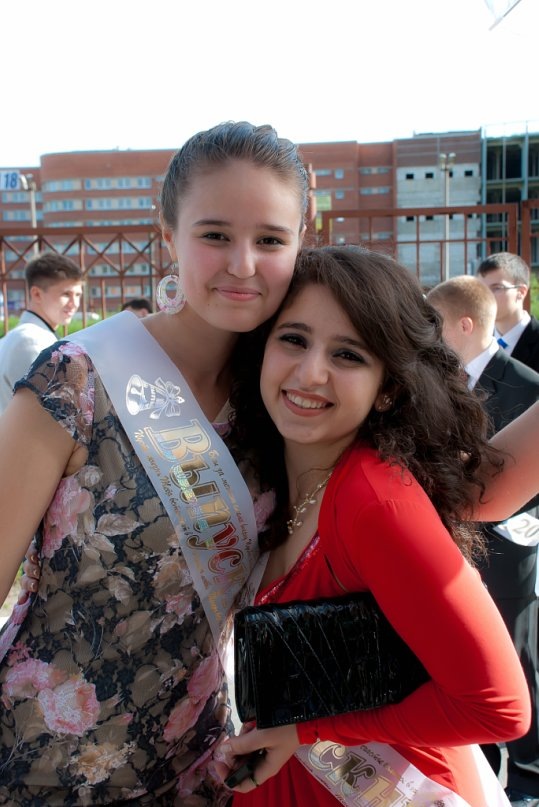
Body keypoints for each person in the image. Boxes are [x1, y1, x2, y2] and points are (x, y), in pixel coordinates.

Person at [0, 121, 309, 805]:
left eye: (270, 240)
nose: (243, 264)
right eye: (215, 234)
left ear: (299, 244)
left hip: (195, 764)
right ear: (168, 234)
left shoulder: (289, 402)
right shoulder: (77, 379)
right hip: (40, 767)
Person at [223, 246, 531, 807]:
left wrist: (308, 730)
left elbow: (499, 707)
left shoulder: (375, 500)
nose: (310, 373)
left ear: (388, 387)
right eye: (293, 339)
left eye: (348, 354)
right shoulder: (265, 474)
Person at [428, 275, 539, 805]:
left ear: (465, 325)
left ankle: (529, 774)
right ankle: (485, 767)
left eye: (435, 326)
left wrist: (527, 520)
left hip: (510, 546)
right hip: (451, 546)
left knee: (518, 657)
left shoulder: (526, 383)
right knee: (467, 661)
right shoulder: (435, 381)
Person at [0, 251, 83, 414]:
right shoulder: (31, 341)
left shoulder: (19, 336)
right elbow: (50, 414)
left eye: (78, 294)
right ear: (37, 294)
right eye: (66, 294)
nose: (74, 303)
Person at [477, 252, 539, 373]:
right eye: (482, 289)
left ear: (521, 292)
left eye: (496, 288)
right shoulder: (477, 342)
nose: (486, 296)